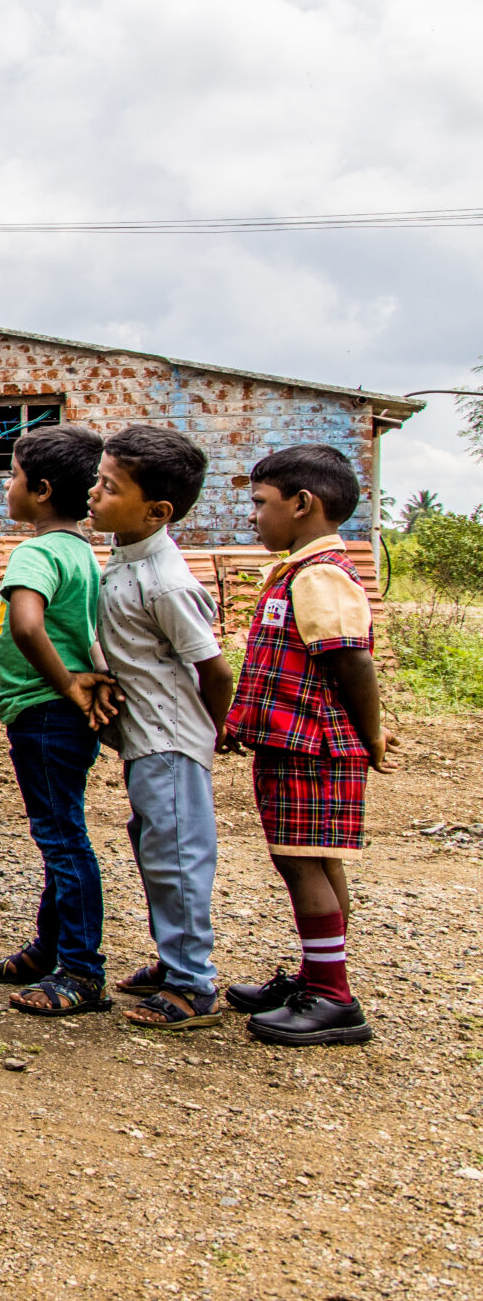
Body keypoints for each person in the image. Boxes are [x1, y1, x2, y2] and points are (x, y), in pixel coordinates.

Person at [221, 443, 393, 1047]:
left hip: (313, 747)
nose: (253, 516)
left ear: (302, 504)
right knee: (311, 856)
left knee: (302, 859)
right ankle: (319, 974)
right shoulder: (298, 571)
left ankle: (332, 996)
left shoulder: (319, 576)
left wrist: (370, 734)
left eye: (260, 503)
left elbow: (350, 659)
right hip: (295, 743)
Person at [87, 424, 235, 1032]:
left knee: (176, 856)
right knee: (155, 849)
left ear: (157, 510)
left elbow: (215, 669)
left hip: (169, 740)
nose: (93, 493)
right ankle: (174, 960)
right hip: (146, 739)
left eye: (109, 486)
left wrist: (210, 730)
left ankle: (192, 984)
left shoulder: (167, 581)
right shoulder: (126, 559)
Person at [0, 422, 116, 1018]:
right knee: (61, 829)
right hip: (59, 714)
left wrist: (65, 685)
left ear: (41, 490)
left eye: (13, 476)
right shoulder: (83, 551)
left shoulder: (35, 551)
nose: (7, 487)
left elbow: (28, 625)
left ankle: (81, 970)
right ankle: (48, 949)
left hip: (44, 709)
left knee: (63, 839)